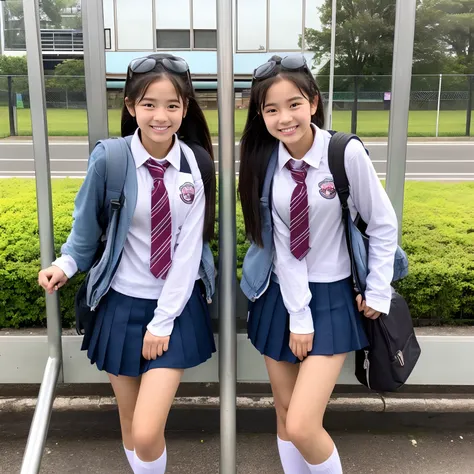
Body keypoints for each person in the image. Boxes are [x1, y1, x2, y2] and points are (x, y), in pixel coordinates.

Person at [38, 53, 216, 474]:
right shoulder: (111, 159)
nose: (161, 115)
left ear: (185, 109)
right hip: (120, 304)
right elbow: (86, 228)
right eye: (149, 104)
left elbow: (191, 251)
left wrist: (162, 321)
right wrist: (65, 264)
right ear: (131, 105)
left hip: (173, 307)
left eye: (172, 105)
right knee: (129, 420)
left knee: (147, 430)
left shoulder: (197, 165)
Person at [238, 55, 398, 474]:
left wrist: (379, 289)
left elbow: (382, 223)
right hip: (281, 295)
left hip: (334, 294)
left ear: (313, 101)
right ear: (260, 115)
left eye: (293, 104)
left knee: (303, 424)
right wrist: (298, 315)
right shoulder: (264, 161)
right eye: (271, 109)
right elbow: (284, 246)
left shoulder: (343, 153)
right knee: (285, 413)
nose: (284, 118)